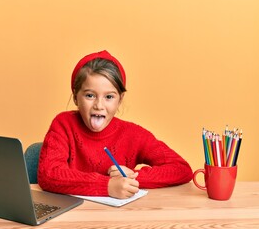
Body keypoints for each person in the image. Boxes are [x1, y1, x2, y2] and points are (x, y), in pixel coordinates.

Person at [37, 50, 193, 199]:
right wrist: (107, 185)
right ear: (76, 97)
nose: (99, 105)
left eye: (109, 97)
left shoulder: (133, 134)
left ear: (120, 99)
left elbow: (181, 169)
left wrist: (131, 178)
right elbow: (49, 174)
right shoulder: (63, 124)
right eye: (90, 95)